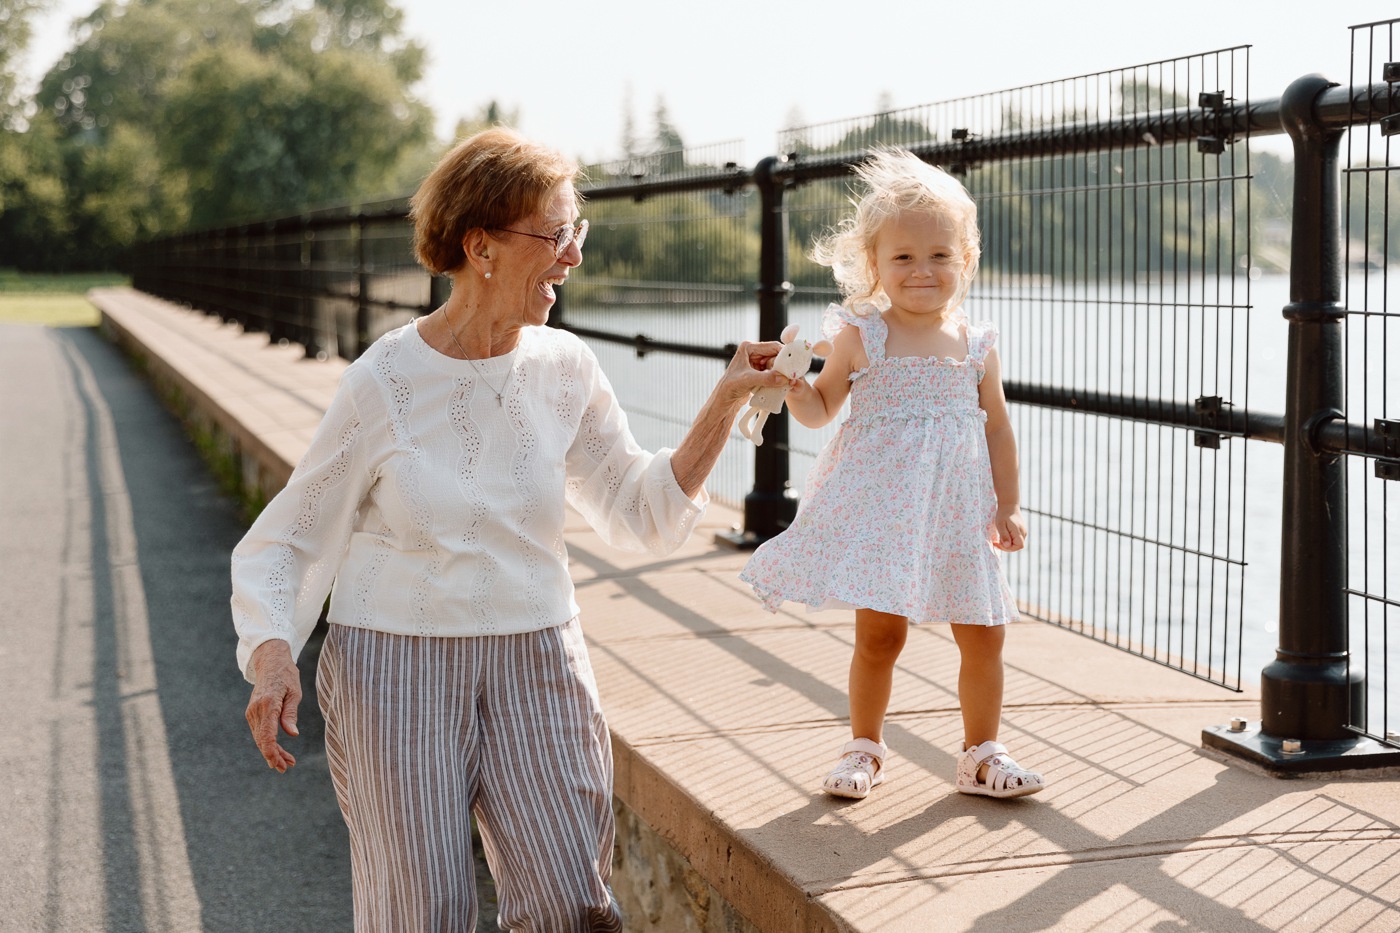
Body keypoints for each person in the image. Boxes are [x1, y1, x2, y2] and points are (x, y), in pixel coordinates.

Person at [233, 126, 788, 932]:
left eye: (577, 233)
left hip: (537, 651)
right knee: (421, 911)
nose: (573, 257)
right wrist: (273, 651)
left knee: (571, 903)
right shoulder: (384, 379)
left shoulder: (566, 368)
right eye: (557, 235)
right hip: (396, 662)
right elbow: (291, 534)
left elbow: (642, 506)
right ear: (481, 246)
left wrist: (725, 400)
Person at [739, 147, 1045, 801]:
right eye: (902, 257)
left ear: (966, 259)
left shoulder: (976, 344)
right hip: (886, 513)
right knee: (881, 634)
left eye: (939, 255)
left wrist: (1008, 505)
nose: (921, 271)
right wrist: (792, 386)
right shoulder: (863, 334)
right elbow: (822, 409)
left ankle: (981, 752)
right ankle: (865, 745)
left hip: (960, 511)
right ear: (874, 264)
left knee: (984, 632)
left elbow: (996, 427)